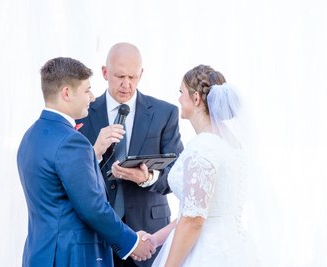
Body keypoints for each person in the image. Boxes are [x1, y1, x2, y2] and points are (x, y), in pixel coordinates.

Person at [17, 57, 155, 267]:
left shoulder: (31, 135)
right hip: (71, 257)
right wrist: (132, 242)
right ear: (66, 93)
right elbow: (93, 207)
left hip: (40, 253)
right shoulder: (71, 141)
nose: (91, 97)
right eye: (87, 90)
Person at [76, 43, 184, 267]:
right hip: (97, 237)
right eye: (119, 76)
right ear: (105, 73)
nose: (127, 85)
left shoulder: (165, 113)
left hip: (149, 235)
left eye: (133, 77)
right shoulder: (82, 113)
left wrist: (148, 178)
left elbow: (178, 175)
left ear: (141, 74)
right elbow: (72, 175)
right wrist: (94, 153)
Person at [142, 65, 259, 266]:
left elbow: (194, 220)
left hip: (205, 252)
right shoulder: (231, 143)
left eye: (181, 92)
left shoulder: (203, 146)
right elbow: (194, 211)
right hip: (234, 248)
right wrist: (156, 239)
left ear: (196, 98)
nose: (178, 99)